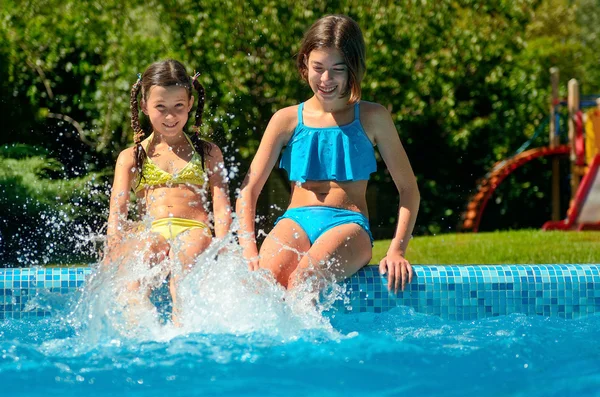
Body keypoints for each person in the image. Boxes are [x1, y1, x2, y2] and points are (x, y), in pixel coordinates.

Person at [236, 15, 419, 293]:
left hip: (348, 224)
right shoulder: (286, 120)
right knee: (263, 284)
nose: (326, 79)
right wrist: (249, 250)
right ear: (304, 64)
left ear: (353, 69)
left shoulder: (373, 117)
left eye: (337, 69)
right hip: (294, 221)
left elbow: (408, 190)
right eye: (318, 67)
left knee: (304, 279)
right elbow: (248, 191)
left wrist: (397, 250)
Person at [104, 59, 232, 321]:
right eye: (160, 107)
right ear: (144, 106)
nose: (171, 116)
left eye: (178, 107)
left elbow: (221, 205)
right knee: (135, 270)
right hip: (152, 230)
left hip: (194, 229)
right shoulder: (132, 157)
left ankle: (180, 331)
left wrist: (224, 243)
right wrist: (112, 249)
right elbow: (117, 211)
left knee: (184, 263)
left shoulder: (207, 152)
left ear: (190, 105)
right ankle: (137, 330)